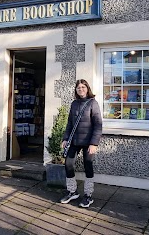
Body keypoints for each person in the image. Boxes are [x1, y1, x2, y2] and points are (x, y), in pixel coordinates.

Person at [60, 79, 102, 208]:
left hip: (88, 141)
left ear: (87, 89)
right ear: (76, 90)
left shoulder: (93, 103)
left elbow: (98, 125)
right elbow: (69, 124)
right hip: (74, 141)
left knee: (87, 165)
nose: (81, 89)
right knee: (68, 164)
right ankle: (72, 191)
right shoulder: (74, 104)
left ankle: (88, 195)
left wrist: (94, 143)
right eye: (78, 88)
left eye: (83, 87)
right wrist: (65, 138)